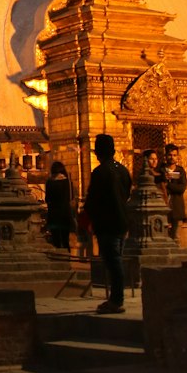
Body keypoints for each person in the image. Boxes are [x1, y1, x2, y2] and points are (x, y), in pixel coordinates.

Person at [83, 134, 132, 315]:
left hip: (107, 222)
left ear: (98, 152)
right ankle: (115, 298)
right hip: (122, 220)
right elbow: (126, 193)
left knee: (113, 261)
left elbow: (93, 199)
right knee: (115, 259)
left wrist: (89, 217)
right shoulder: (123, 170)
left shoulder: (100, 172)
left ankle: (116, 300)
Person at [43, 161, 74, 249]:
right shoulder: (67, 181)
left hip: (53, 215)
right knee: (65, 240)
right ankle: (67, 259)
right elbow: (70, 198)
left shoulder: (49, 182)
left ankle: (58, 260)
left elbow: (47, 199)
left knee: (56, 241)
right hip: (65, 215)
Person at [163, 144, 187, 240]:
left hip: (177, 208)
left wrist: (168, 185)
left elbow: (181, 188)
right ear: (165, 156)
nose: (172, 157)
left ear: (177, 156)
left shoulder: (180, 171)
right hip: (163, 208)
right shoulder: (161, 170)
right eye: (170, 155)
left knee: (175, 238)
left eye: (174, 155)